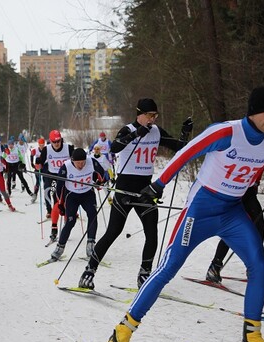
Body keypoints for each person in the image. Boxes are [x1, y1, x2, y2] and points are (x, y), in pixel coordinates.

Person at [104, 87, 264, 342]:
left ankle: (252, 335)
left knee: (259, 265)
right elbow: (186, 153)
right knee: (168, 268)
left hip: (232, 212)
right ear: (253, 111)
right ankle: (124, 329)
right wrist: (158, 185)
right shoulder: (226, 132)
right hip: (200, 210)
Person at [78, 98, 192, 290]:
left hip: (145, 190)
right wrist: (136, 134)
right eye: (149, 115)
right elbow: (114, 148)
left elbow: (179, 148)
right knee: (113, 232)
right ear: (140, 114)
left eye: (155, 116)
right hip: (124, 188)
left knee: (152, 233)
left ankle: (144, 274)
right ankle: (89, 271)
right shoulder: (128, 130)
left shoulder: (156, 131)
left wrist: (184, 133)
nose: (153, 119)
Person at [205, 172, 264, 283]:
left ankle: (254, 268)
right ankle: (215, 267)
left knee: (259, 227)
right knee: (232, 228)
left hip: (251, 191)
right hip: (237, 190)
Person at [50, 148, 106, 260]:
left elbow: (102, 173)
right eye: (78, 163)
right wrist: (61, 204)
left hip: (87, 194)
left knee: (93, 216)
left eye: (82, 162)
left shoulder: (91, 161)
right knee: (71, 221)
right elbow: (60, 187)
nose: (80, 165)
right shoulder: (66, 167)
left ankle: (90, 246)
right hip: (72, 196)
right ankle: (59, 248)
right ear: (72, 161)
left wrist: (100, 181)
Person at [34, 130, 74, 240]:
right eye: (54, 142)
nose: (56, 144)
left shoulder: (69, 148)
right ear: (50, 141)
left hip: (66, 177)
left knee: (67, 201)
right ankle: (54, 227)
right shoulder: (47, 149)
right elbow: (39, 164)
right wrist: (38, 163)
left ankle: (67, 226)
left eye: (58, 141)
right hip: (54, 177)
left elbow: (76, 161)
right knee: (56, 200)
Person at [29, 137, 46, 204]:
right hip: (37, 167)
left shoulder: (46, 150)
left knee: (45, 182)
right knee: (38, 182)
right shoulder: (36, 150)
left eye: (42, 144)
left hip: (44, 167)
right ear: (38, 144)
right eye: (40, 144)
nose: (41, 146)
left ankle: (46, 197)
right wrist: (32, 163)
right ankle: (35, 195)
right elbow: (31, 155)